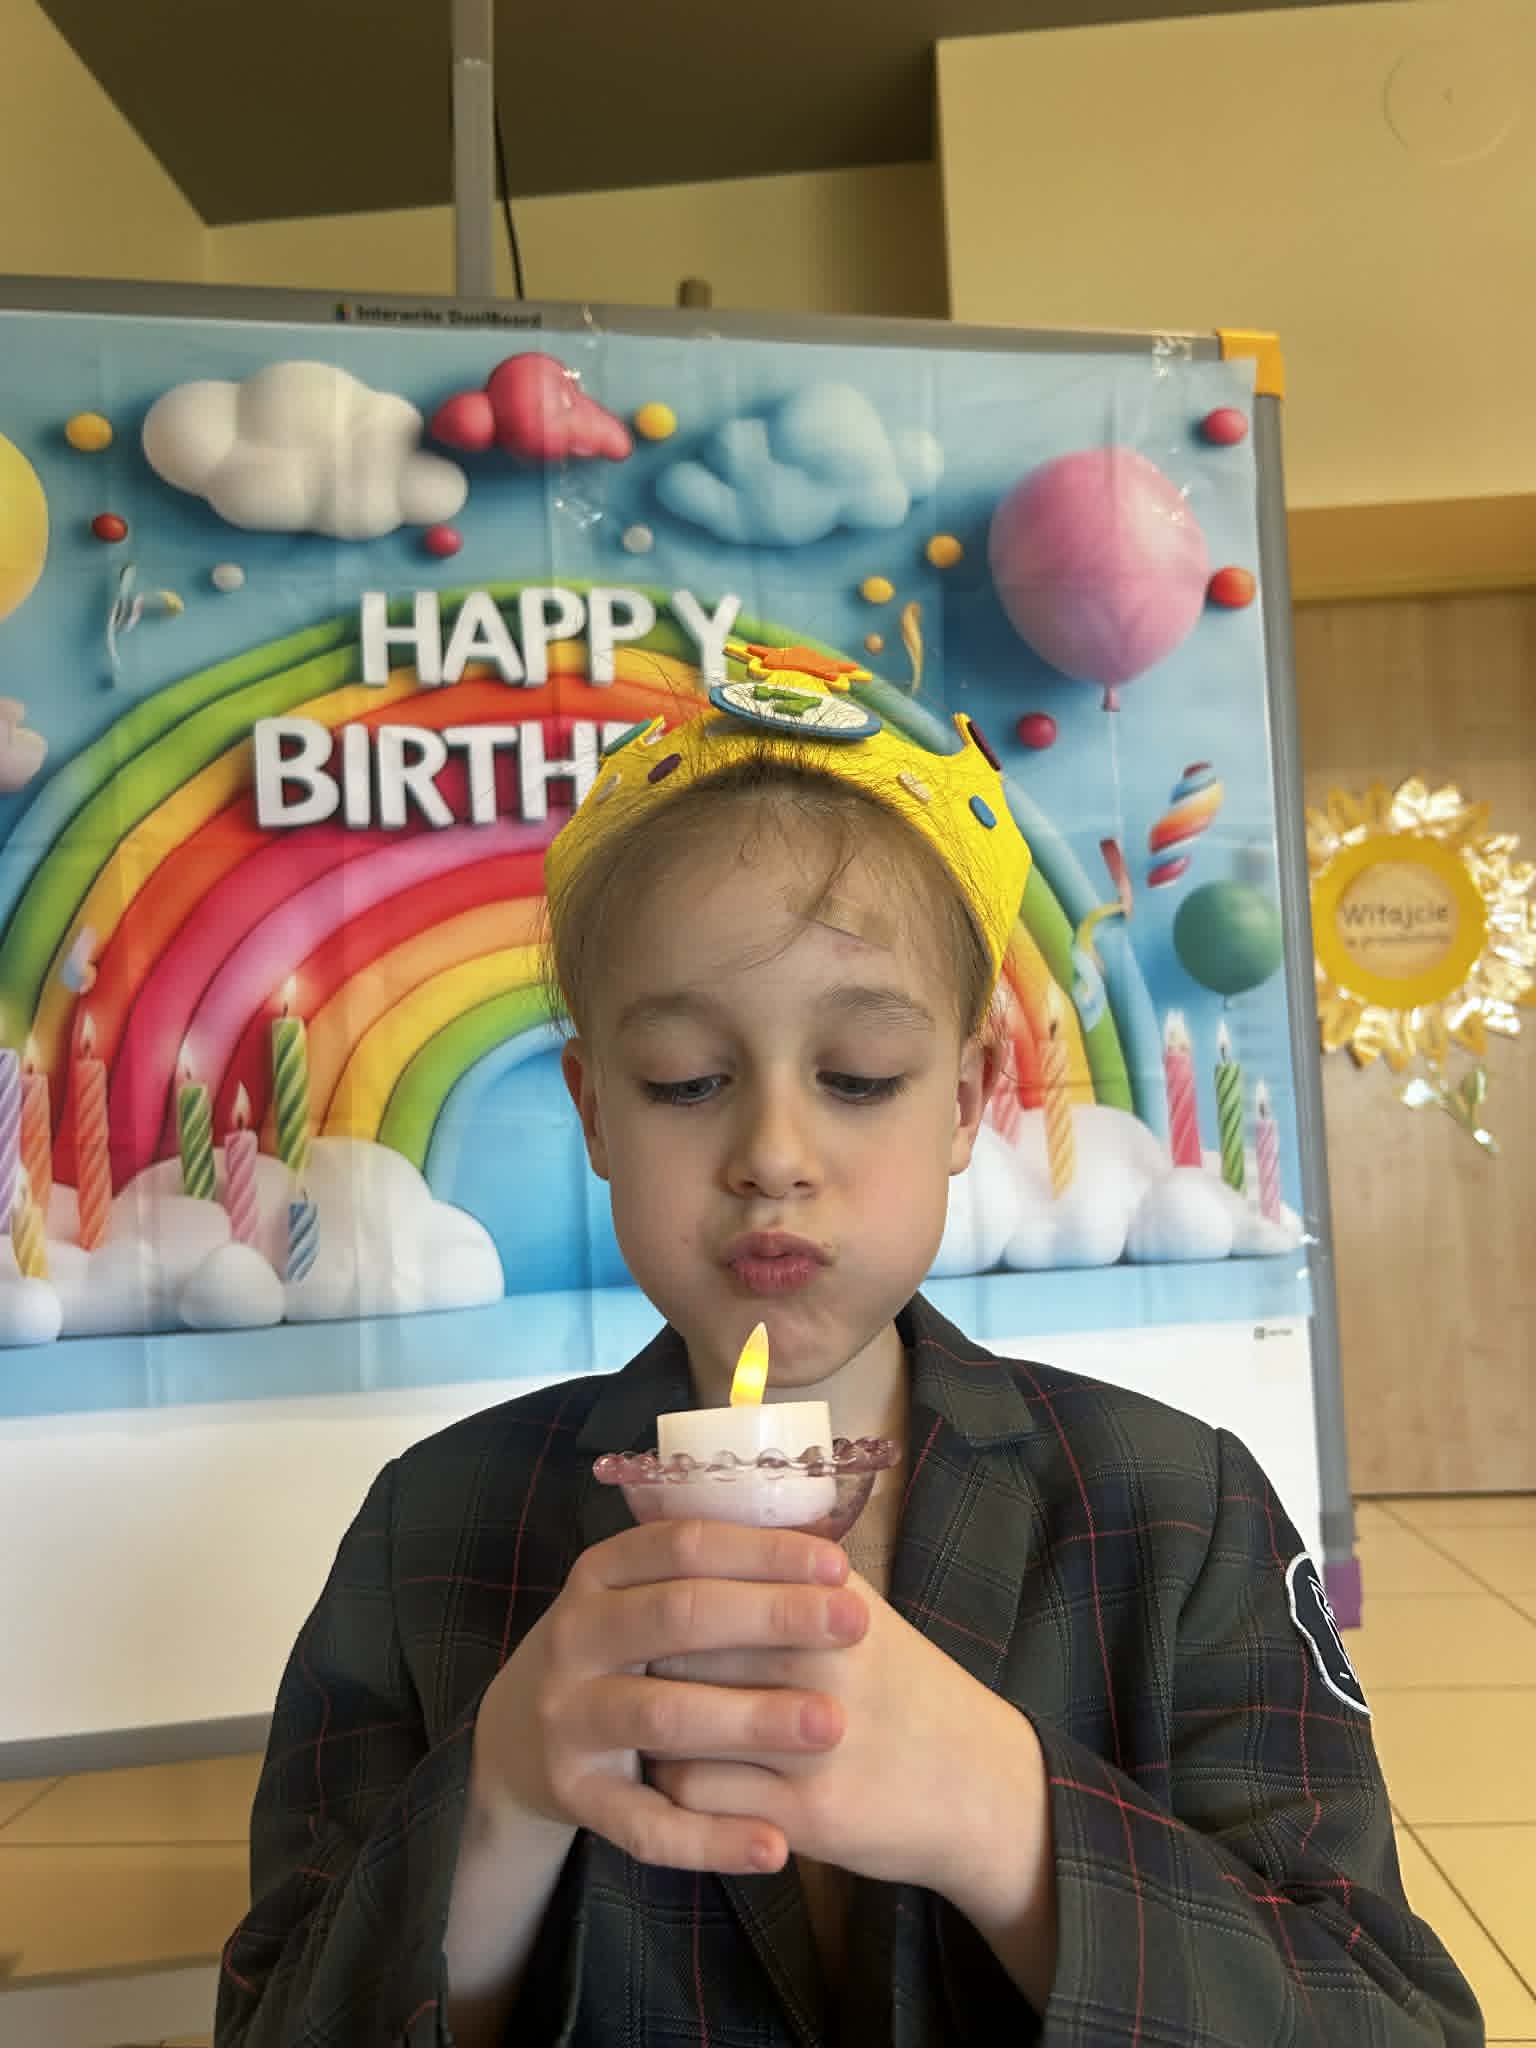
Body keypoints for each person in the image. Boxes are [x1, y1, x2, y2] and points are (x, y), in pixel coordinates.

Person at [215, 674, 1480, 2048]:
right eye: (686, 1079)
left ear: (968, 1097)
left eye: (861, 1075)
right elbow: (275, 2014)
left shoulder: (1180, 1513)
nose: (773, 1155)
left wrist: (1006, 1814)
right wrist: (501, 1799)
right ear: (594, 1111)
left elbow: (1389, 2019)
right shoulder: (431, 1527)